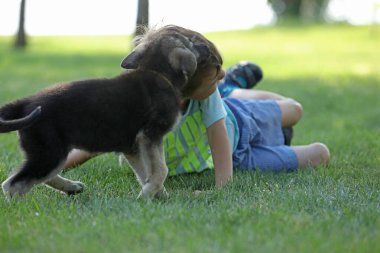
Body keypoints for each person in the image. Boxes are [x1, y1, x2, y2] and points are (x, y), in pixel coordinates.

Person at [63, 58, 330, 189]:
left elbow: (218, 135)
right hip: (240, 159)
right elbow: (86, 148)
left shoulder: (204, 98)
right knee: (319, 154)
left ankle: (230, 88)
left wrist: (220, 189)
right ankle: (239, 98)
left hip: (237, 117)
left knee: (294, 110)